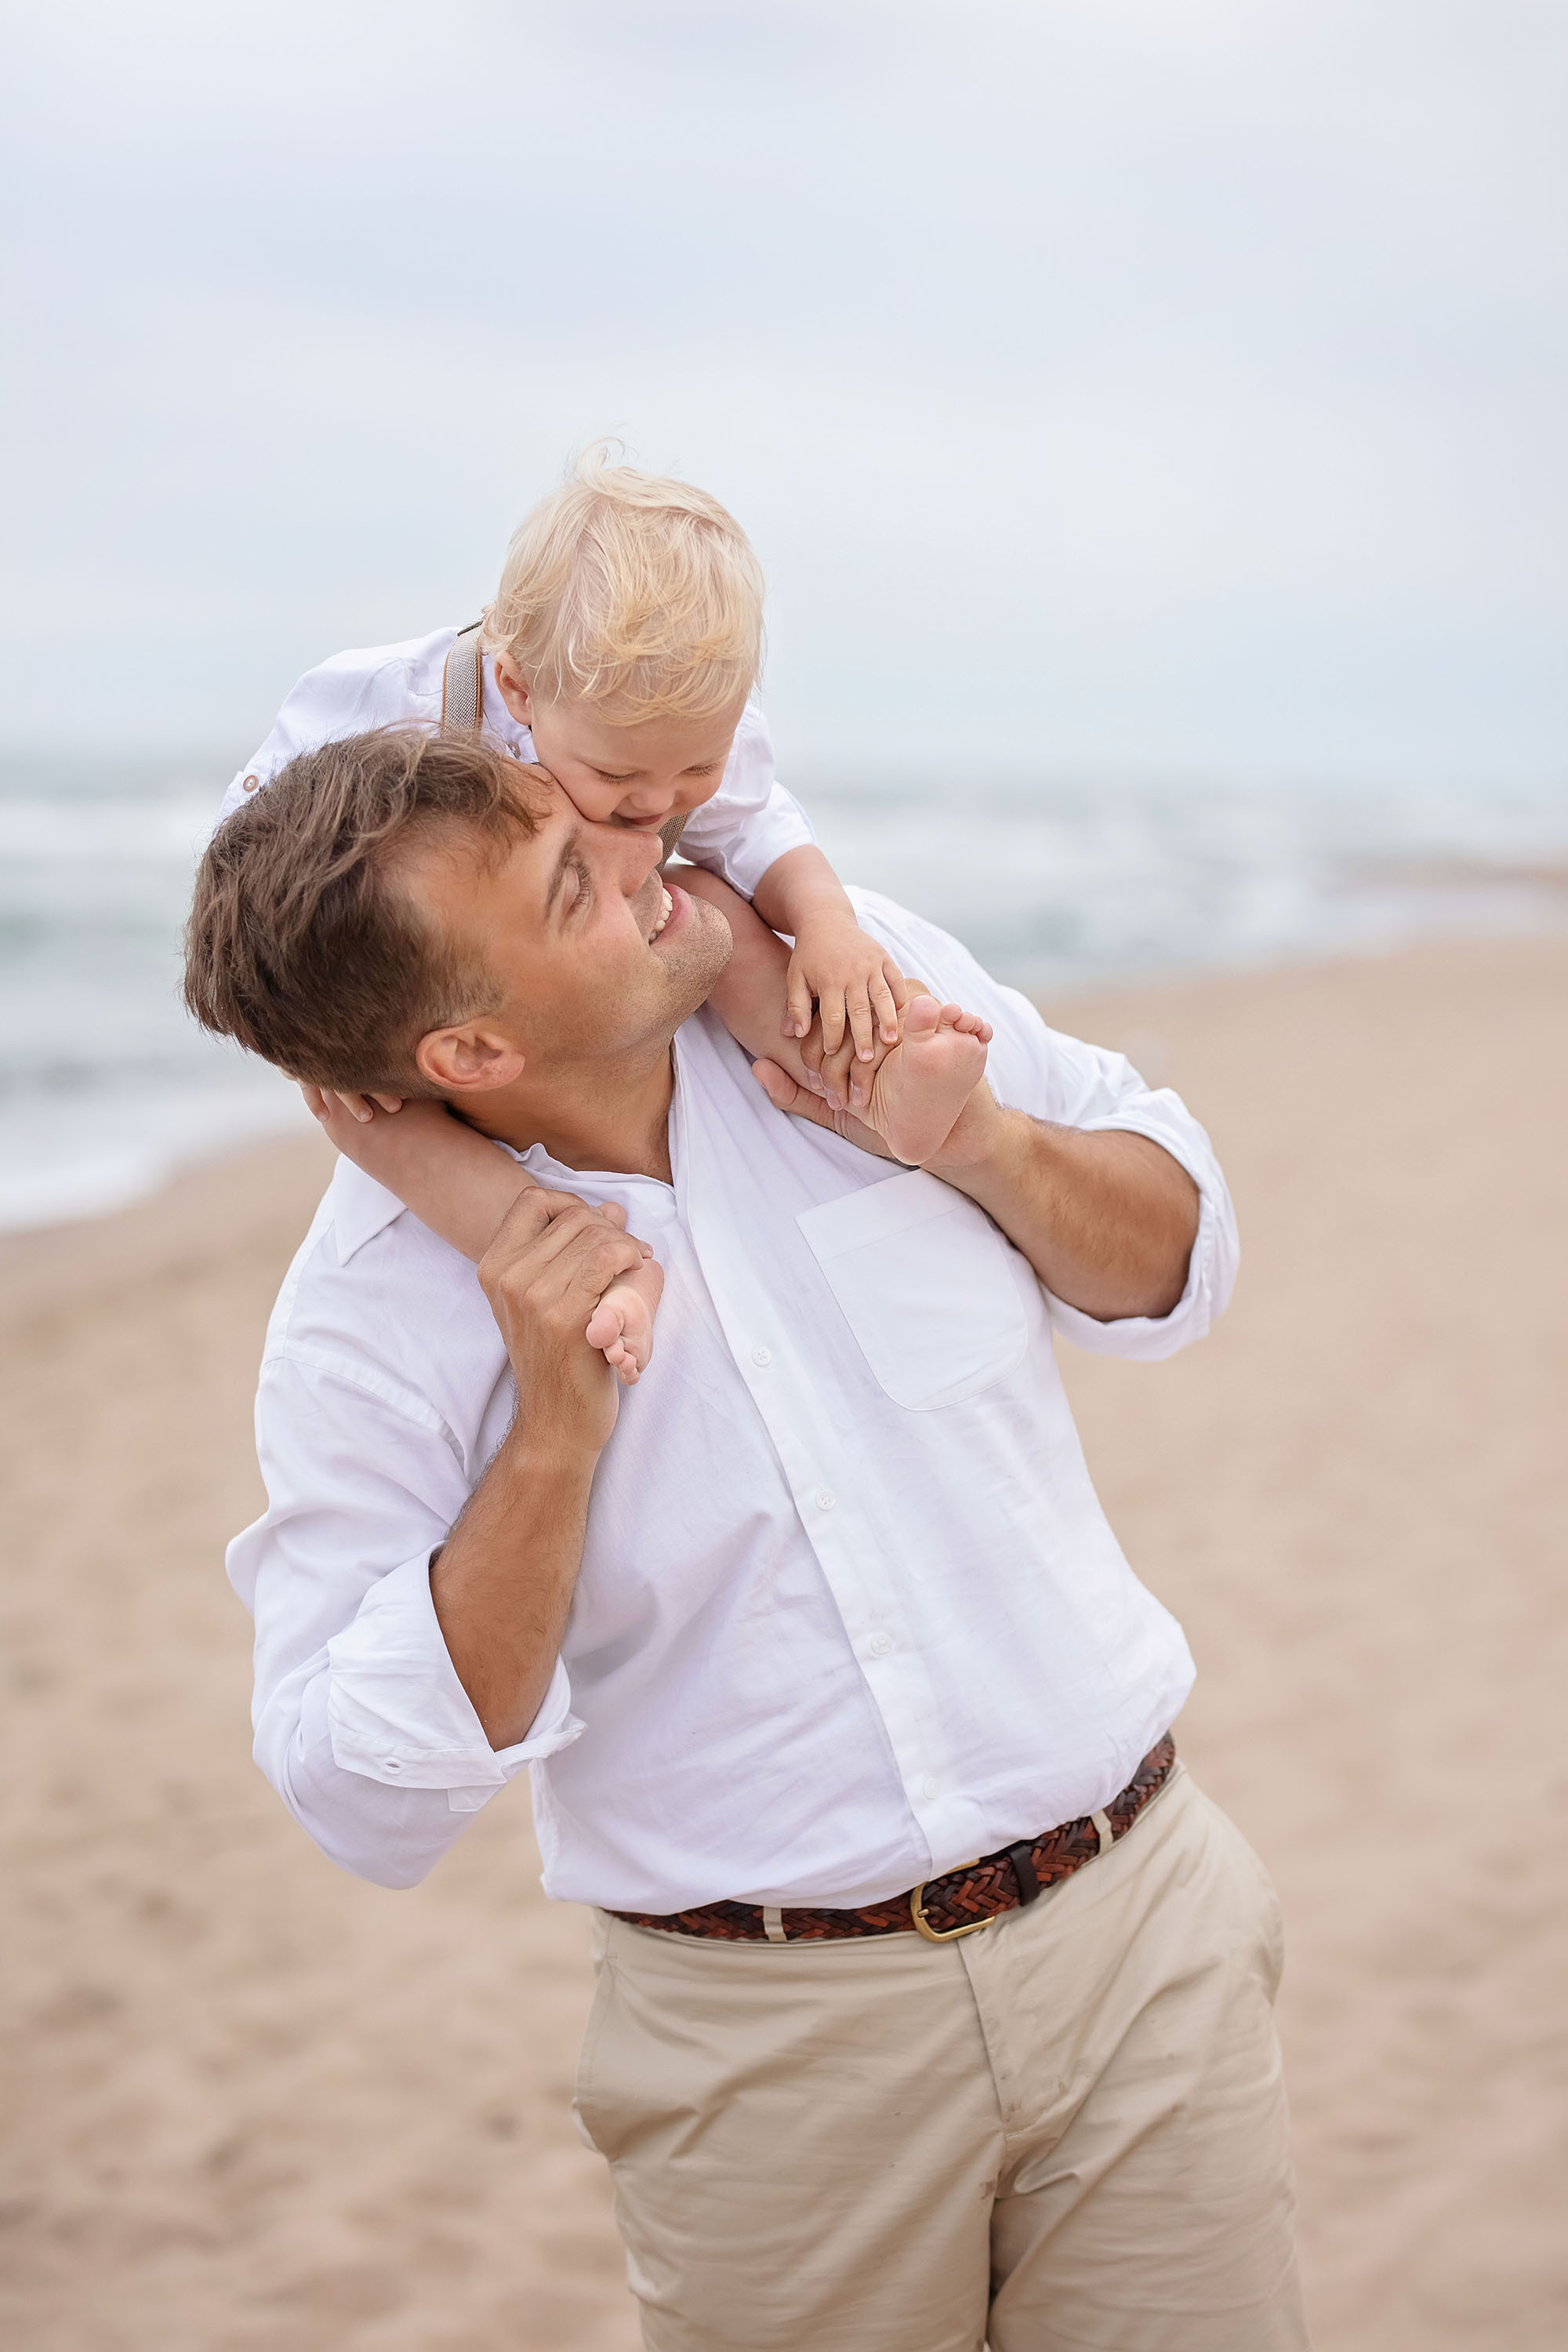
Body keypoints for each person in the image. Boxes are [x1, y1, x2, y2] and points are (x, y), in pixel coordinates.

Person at [184, 727, 1308, 2352]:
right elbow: (360, 1796)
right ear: (473, 1049)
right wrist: (554, 1436)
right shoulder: (368, 1319)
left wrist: (977, 1144)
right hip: (773, 2063)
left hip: (1146, 1942)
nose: (645, 856)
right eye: (570, 886)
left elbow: (1179, 1264)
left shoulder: (847, 982)